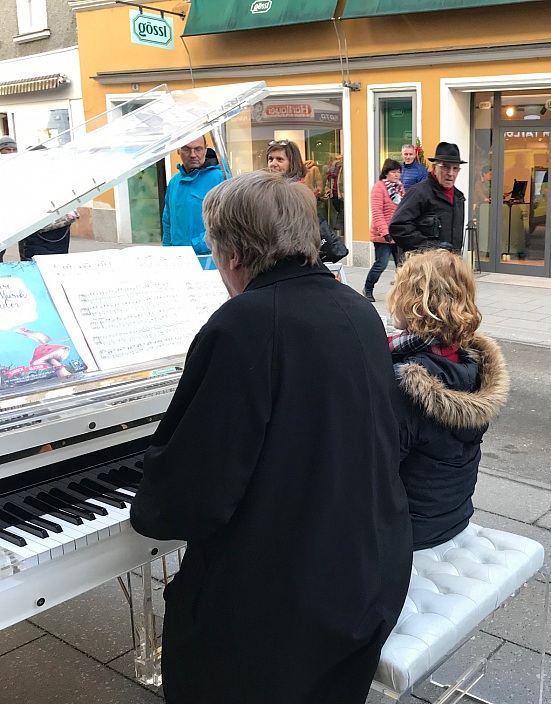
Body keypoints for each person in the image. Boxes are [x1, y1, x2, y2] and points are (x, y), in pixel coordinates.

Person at [130, 171, 412, 704]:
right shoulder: (353, 305)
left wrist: (144, 495)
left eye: (214, 253)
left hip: (289, 611)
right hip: (370, 569)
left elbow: (187, 501)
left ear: (233, 254)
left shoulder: (245, 324)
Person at [387, 249, 509, 549]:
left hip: (408, 531)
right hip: (452, 516)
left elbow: (373, 475)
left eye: (397, 287)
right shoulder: (469, 364)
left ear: (413, 302)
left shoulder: (405, 380)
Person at [266, 140, 346, 263]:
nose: (273, 164)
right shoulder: (270, 188)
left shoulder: (296, 190)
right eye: (270, 159)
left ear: (292, 162)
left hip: (295, 255)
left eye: (279, 159)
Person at [389, 142, 466, 253]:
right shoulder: (419, 192)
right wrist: (432, 248)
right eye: (445, 167)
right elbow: (398, 227)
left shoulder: (458, 198)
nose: (451, 173)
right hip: (423, 266)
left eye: (455, 168)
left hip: (448, 266)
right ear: (434, 167)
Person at [161, 136, 224, 265]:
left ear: (206, 150)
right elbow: (168, 221)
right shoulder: (174, 182)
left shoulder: (219, 179)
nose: (193, 155)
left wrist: (196, 246)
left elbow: (224, 222)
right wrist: (167, 252)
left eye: (198, 149)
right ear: (178, 150)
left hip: (207, 258)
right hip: (177, 259)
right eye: (186, 149)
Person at [363, 158, 405, 301]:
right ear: (386, 173)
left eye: (398, 172)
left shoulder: (400, 188)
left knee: (402, 265)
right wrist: (385, 232)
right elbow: (377, 212)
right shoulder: (379, 188)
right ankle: (368, 288)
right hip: (383, 235)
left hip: (398, 233)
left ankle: (402, 294)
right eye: (393, 172)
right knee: (381, 264)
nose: (397, 175)